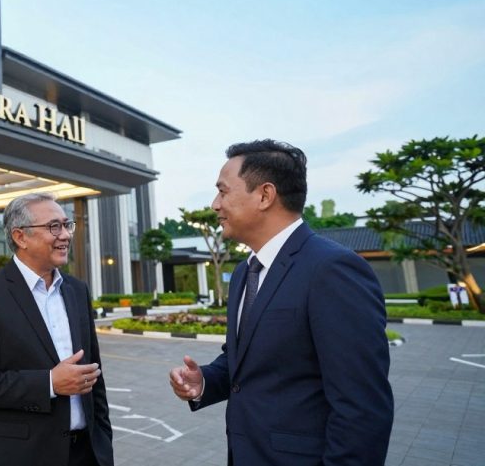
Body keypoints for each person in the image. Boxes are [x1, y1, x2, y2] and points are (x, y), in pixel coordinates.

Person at [169, 139, 394, 465]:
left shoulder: (331, 270)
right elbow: (245, 360)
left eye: (223, 191)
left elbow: (362, 407)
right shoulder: (246, 271)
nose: (215, 204)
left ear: (264, 195)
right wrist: (205, 381)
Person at [0, 192, 114, 466]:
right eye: (54, 226)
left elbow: (94, 376)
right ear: (20, 237)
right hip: (19, 456)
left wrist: (103, 443)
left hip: (86, 454)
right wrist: (50, 383)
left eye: (67, 225)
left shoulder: (77, 290)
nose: (65, 235)